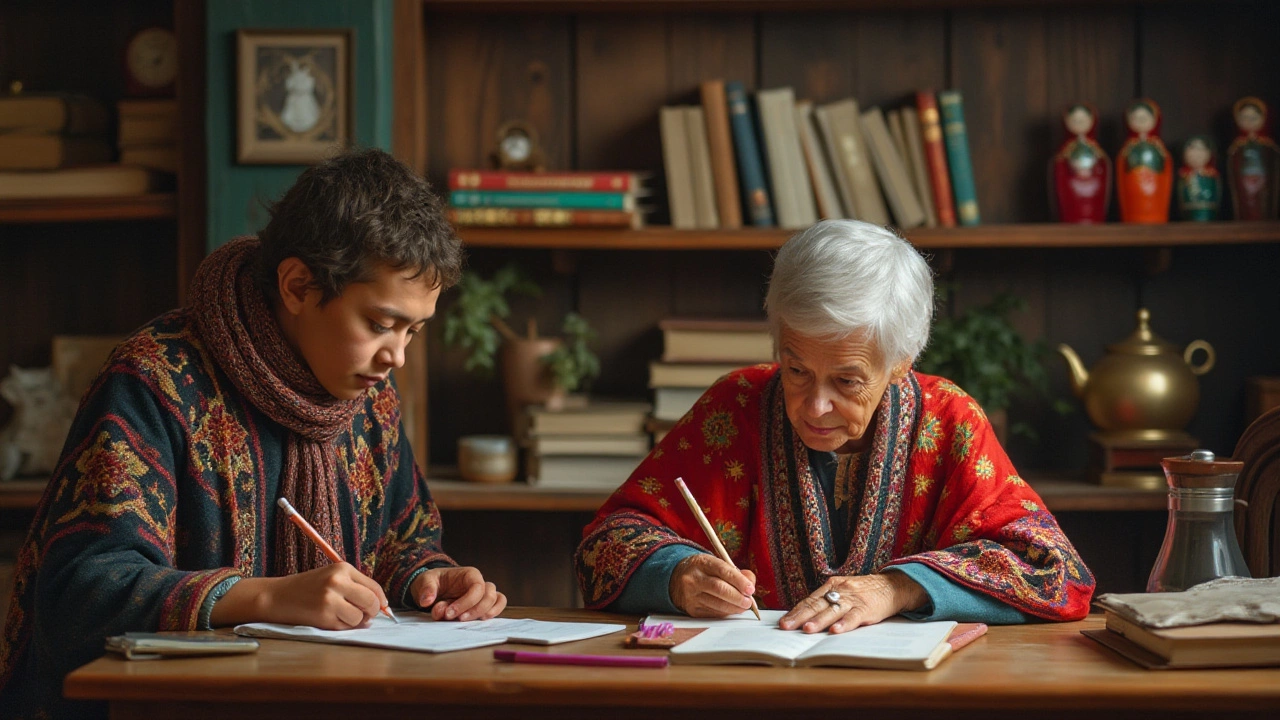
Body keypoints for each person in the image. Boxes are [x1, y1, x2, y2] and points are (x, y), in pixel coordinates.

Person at [0, 149, 506, 719]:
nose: (398, 356)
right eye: (380, 324)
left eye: (414, 331)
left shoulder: (368, 396)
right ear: (296, 287)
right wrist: (266, 597)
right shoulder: (155, 382)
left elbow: (399, 538)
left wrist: (430, 580)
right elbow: (80, 594)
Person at [576, 220, 1094, 633]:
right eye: (796, 369)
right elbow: (604, 545)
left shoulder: (949, 420)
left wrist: (897, 588)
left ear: (901, 361)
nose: (815, 406)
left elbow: (1055, 573)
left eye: (847, 381)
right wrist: (677, 577)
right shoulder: (735, 406)